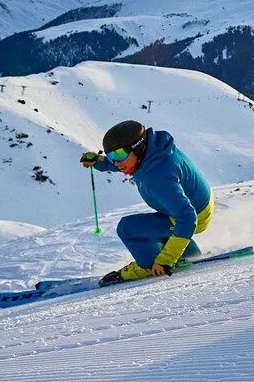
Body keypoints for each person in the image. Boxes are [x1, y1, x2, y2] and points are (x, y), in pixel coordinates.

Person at [80, 120, 213, 285]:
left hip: (193, 214)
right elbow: (124, 162)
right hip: (192, 204)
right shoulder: (153, 151)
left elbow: (187, 217)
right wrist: (100, 162)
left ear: (138, 147)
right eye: (111, 156)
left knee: (128, 228)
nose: (116, 163)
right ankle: (188, 253)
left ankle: (148, 265)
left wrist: (166, 260)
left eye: (119, 155)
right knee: (156, 225)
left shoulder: (157, 175)